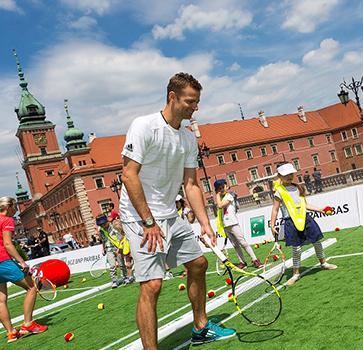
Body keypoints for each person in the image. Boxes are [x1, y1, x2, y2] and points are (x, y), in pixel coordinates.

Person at [119, 72, 235, 348]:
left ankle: (201, 328)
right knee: (152, 285)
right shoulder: (144, 126)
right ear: (172, 97)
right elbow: (128, 175)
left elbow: (191, 184)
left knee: (198, 263)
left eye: (197, 102)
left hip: (169, 214)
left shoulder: (188, 138)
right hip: (139, 215)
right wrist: (148, 222)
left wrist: (205, 224)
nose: (195, 107)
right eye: (190, 101)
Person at [269, 163, 337, 286]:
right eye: (286, 175)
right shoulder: (279, 191)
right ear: (280, 176)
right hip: (290, 222)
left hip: (306, 219)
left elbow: (306, 205)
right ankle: (296, 273)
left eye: (291, 174)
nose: (289, 176)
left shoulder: (299, 188)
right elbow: (275, 209)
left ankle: (323, 263)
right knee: (296, 248)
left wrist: (321, 209)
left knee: (317, 241)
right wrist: (272, 225)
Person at [0, 197, 48, 343]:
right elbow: (7, 244)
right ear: (9, 207)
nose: (15, 212)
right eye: (14, 208)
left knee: (1, 299)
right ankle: (28, 324)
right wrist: (22, 262)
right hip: (3, 261)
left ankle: (11, 333)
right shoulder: (7, 220)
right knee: (31, 287)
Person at [214, 179, 263, 269]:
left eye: (222, 187)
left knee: (243, 242)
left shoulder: (229, 196)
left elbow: (220, 206)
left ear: (226, 186)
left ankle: (255, 259)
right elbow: (218, 206)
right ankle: (242, 262)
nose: (221, 189)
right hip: (226, 225)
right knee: (235, 245)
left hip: (233, 223)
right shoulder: (220, 198)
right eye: (219, 188)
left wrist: (217, 194)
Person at [96, 214, 131, 288]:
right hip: (109, 248)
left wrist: (119, 249)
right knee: (112, 265)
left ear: (106, 222)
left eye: (103, 224)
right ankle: (114, 280)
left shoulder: (114, 227)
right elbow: (103, 240)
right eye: (100, 225)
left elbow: (121, 238)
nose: (102, 226)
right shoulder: (101, 230)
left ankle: (125, 277)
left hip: (118, 247)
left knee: (121, 264)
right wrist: (103, 248)